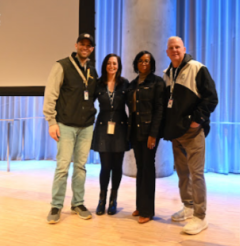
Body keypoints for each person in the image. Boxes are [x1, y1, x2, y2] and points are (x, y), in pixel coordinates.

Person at [162, 37, 217, 235]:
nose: (174, 50)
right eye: (171, 48)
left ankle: (200, 216)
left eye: (177, 47)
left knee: (196, 174)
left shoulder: (197, 68)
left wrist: (196, 121)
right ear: (167, 52)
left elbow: (211, 98)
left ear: (184, 49)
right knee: (183, 174)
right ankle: (188, 206)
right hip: (176, 134)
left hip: (193, 132)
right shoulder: (167, 74)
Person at [43, 33, 99, 223]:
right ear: (76, 45)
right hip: (65, 125)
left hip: (86, 126)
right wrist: (51, 122)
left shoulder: (92, 70)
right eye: (82, 44)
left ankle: (77, 203)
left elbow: (93, 96)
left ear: (92, 49)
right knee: (62, 167)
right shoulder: (62, 66)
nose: (85, 47)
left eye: (88, 45)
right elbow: (51, 94)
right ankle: (56, 205)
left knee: (81, 167)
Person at [127, 51, 166, 224]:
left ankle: (148, 211)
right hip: (135, 131)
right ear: (136, 64)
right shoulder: (133, 84)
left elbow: (160, 110)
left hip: (149, 132)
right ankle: (140, 206)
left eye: (147, 61)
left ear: (152, 64)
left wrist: (153, 134)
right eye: (141, 61)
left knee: (148, 168)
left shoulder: (157, 82)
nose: (144, 63)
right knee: (140, 168)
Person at [90, 54, 130, 216]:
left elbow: (132, 106)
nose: (111, 66)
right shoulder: (98, 84)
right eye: (109, 63)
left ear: (118, 66)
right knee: (105, 166)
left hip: (120, 127)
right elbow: (88, 103)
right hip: (103, 126)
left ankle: (113, 200)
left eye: (114, 63)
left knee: (117, 166)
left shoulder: (124, 83)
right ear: (105, 65)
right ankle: (102, 200)